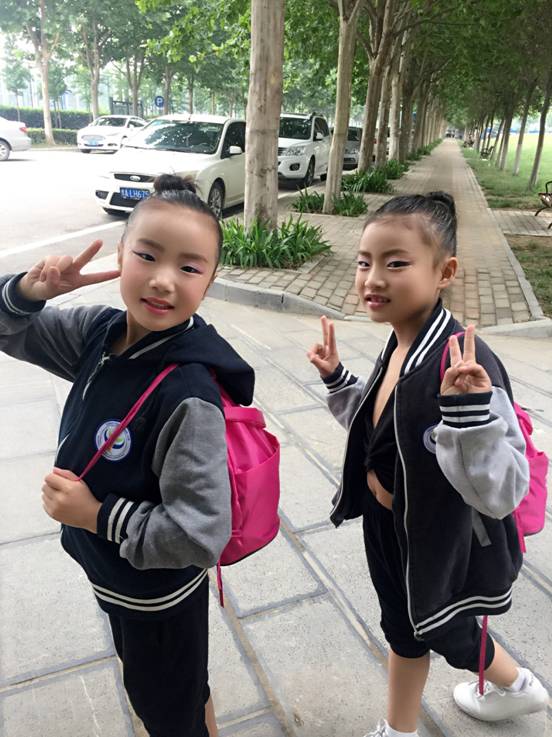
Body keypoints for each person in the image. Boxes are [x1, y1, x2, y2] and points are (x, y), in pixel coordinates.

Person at [0, 174, 255, 737]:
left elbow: (201, 536)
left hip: (154, 598)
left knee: (166, 709)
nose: (163, 280)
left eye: (189, 267)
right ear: (120, 254)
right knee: (183, 693)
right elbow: (10, 329)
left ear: (210, 281)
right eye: (147, 255)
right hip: (116, 574)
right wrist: (27, 293)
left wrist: (96, 515)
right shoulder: (101, 331)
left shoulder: (188, 395)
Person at [307, 192, 549, 737]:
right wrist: (338, 380)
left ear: (445, 272)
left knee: (442, 629)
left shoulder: (464, 362)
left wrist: (469, 415)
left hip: (438, 540)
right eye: (364, 262)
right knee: (405, 628)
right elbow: (384, 429)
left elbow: (504, 490)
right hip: (390, 526)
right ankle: (408, 726)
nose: (373, 278)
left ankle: (517, 687)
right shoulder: (401, 342)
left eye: (396, 263)